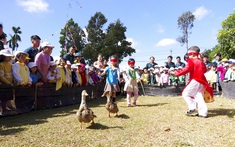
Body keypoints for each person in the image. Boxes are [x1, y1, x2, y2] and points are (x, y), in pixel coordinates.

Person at [170, 46, 213, 118]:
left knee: (185, 93)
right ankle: (203, 113)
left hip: (195, 80)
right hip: (202, 81)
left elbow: (185, 70)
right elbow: (204, 70)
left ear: (193, 54)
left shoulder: (192, 61)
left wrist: (175, 73)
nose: (188, 56)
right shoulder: (201, 62)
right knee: (199, 96)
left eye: (189, 54)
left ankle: (193, 108)